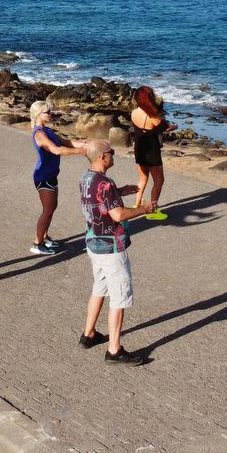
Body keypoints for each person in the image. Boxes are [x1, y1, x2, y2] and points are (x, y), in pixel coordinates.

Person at [78, 139, 156, 364]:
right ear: (102, 156)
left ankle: (89, 334)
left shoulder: (86, 178)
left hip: (94, 243)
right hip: (111, 247)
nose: (113, 154)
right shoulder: (106, 183)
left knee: (99, 287)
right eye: (111, 152)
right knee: (119, 296)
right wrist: (145, 209)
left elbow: (98, 199)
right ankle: (114, 350)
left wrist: (120, 191)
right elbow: (118, 215)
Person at [27, 99, 89, 255]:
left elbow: (65, 142)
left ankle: (45, 237)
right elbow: (56, 150)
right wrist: (80, 152)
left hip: (51, 174)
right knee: (48, 210)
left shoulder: (47, 130)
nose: (50, 114)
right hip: (43, 176)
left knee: (52, 207)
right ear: (38, 114)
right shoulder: (39, 134)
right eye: (47, 112)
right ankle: (37, 244)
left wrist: (82, 144)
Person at [129, 85, 174, 208]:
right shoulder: (152, 116)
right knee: (159, 180)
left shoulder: (134, 112)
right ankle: (153, 208)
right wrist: (174, 126)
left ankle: (137, 205)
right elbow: (165, 127)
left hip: (139, 148)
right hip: (151, 150)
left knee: (143, 178)